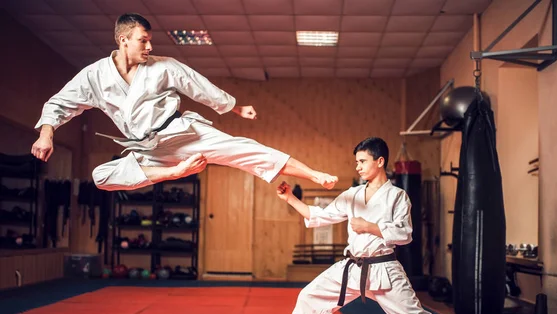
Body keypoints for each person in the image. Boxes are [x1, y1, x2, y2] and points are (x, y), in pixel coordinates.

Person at [30, 13, 338, 192]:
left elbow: (198, 86)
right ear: (123, 40)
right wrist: (47, 133)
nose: (150, 46)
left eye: (150, 40)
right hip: (147, 149)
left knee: (246, 148)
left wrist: (235, 107)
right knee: (100, 177)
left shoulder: (163, 66)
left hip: (183, 134)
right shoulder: (94, 76)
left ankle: (313, 173)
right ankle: (174, 173)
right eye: (143, 40)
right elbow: (60, 103)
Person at [275, 137, 487, 314]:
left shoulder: (398, 196)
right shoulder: (352, 195)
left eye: (362, 161)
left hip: (385, 270)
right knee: (309, 297)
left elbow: (406, 234)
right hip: (352, 267)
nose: (358, 167)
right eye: (356, 162)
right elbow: (319, 216)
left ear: (380, 161)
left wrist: (370, 227)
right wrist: (289, 199)